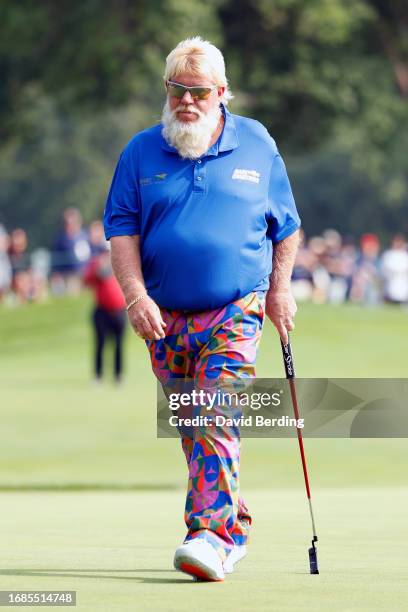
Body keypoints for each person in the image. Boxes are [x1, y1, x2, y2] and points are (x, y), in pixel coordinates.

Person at [104, 37, 300, 582]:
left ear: (221, 93)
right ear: (166, 90)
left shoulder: (257, 144)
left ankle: (208, 535)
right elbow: (122, 230)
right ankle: (231, 528)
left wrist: (280, 290)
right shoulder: (141, 152)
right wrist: (136, 297)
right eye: (176, 90)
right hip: (162, 318)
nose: (186, 101)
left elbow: (286, 226)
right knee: (194, 427)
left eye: (198, 92)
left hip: (235, 310)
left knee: (216, 412)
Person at [83, 246, 127, 383]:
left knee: (119, 345)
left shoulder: (122, 263)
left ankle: (118, 375)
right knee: (100, 344)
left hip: (119, 310)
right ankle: (98, 375)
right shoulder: (96, 265)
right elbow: (86, 281)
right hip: (102, 311)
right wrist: (98, 269)